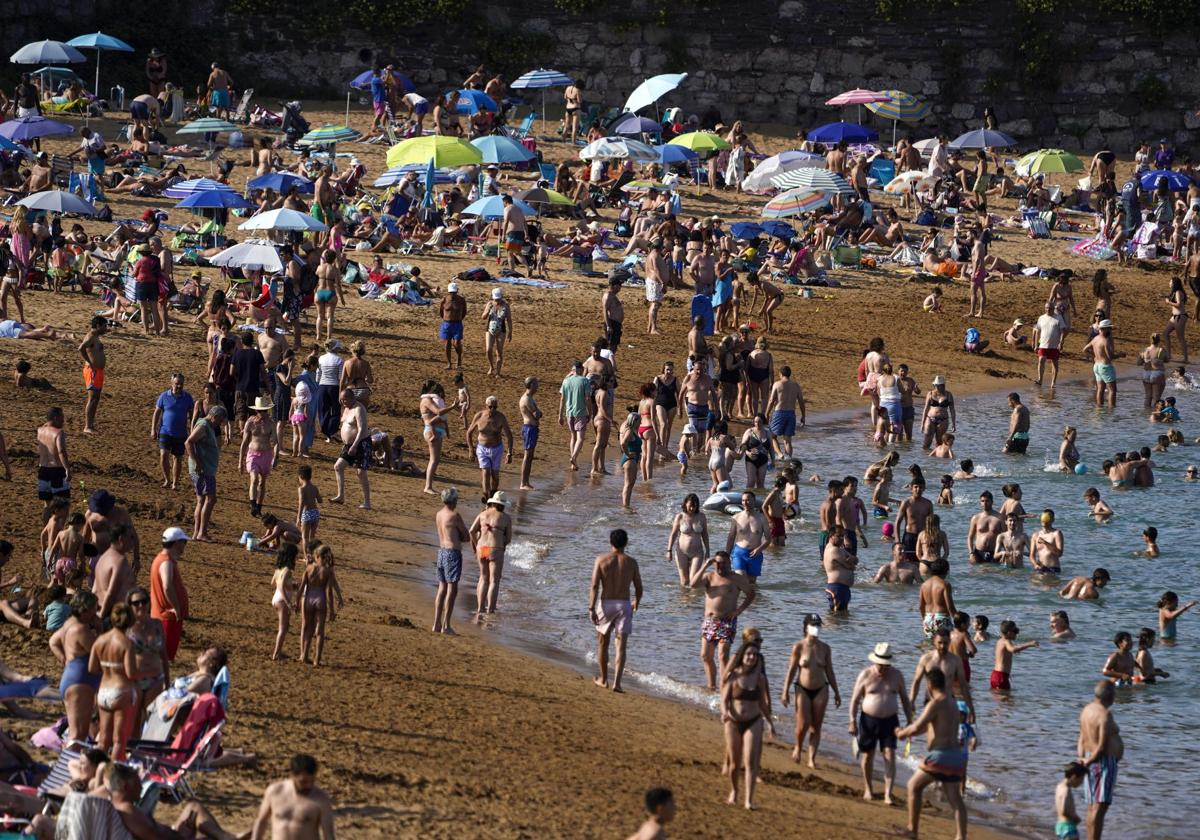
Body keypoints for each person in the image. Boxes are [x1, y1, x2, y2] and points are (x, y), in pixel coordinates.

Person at [894, 668, 968, 840]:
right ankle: (961, 836)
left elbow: (917, 726)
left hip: (940, 756)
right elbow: (929, 728)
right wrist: (910, 732)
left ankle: (913, 829)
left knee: (913, 786)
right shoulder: (952, 703)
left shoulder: (936, 703)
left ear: (929, 684)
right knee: (955, 798)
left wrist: (901, 733)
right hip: (956, 757)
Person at [849, 642, 913, 804]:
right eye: (880, 664)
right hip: (868, 720)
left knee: (890, 755)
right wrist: (852, 721)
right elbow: (855, 701)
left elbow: (905, 700)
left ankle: (887, 794)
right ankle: (868, 789)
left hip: (891, 721)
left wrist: (910, 722)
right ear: (874, 661)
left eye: (886, 665)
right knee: (867, 755)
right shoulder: (865, 675)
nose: (882, 668)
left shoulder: (897, 675)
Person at [781, 613, 840, 768]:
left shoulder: (825, 648)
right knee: (803, 724)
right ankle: (798, 748)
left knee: (816, 726)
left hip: (821, 689)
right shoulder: (799, 647)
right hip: (802, 689)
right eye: (813, 625)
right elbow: (792, 670)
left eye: (818, 625)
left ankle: (811, 759)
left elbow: (830, 672)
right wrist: (785, 691)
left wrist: (837, 692)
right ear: (806, 627)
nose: (816, 628)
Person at [689, 551, 754, 690]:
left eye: (724, 563)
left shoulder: (737, 579)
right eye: (718, 563)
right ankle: (711, 686)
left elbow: (751, 593)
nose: (721, 566)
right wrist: (705, 565)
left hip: (727, 621)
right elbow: (693, 584)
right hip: (709, 621)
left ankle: (725, 689)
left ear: (729, 563)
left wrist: (739, 610)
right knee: (705, 656)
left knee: (723, 655)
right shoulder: (709, 577)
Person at [721, 635, 773, 809]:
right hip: (733, 722)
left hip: (754, 721)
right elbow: (724, 699)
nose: (752, 657)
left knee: (750, 763)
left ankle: (749, 800)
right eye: (749, 654)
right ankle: (734, 791)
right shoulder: (733, 676)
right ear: (742, 656)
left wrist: (771, 723)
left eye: (755, 655)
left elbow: (763, 704)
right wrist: (724, 713)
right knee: (735, 764)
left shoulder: (760, 679)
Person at [589, 529, 642, 693]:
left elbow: (594, 586)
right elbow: (639, 588)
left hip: (606, 604)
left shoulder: (601, 560)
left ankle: (604, 679)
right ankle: (617, 683)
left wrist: (591, 608)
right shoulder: (632, 562)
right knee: (621, 646)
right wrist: (636, 602)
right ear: (626, 543)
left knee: (602, 644)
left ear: (610, 542)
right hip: (624, 605)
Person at [48, 591, 99, 743]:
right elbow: (100, 653)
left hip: (72, 676)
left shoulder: (68, 624)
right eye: (94, 608)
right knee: (78, 735)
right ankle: (67, 766)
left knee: (78, 734)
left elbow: (53, 642)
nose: (96, 612)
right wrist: (100, 628)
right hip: (80, 683)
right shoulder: (81, 629)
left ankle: (70, 765)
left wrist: (64, 658)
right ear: (86, 609)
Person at [251, 753, 336, 840]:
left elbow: (328, 834)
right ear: (292, 775)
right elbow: (261, 821)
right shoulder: (274, 792)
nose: (309, 786)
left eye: (312, 781)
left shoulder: (321, 799)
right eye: (303, 782)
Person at [1077, 680, 1122, 840]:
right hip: (1102, 762)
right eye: (1114, 694)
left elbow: (1081, 739)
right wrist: (1088, 762)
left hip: (1089, 758)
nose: (1115, 697)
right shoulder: (1104, 714)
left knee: (1092, 807)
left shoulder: (1086, 710)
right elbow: (1102, 746)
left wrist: (1082, 759)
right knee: (1100, 807)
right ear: (1109, 696)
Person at [150, 527, 190, 662]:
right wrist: (177, 608)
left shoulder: (162, 559)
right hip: (167, 617)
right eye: (184, 542)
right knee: (163, 660)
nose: (185, 545)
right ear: (177, 543)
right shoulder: (166, 562)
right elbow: (167, 586)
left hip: (164, 616)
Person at [470, 491, 512, 617]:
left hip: (482, 547)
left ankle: (480, 608)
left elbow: (472, 530)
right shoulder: (505, 518)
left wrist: (476, 545)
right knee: (494, 581)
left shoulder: (483, 514)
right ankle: (490, 610)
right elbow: (508, 538)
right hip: (496, 548)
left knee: (483, 578)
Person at [298, 545, 342, 667]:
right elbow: (329, 591)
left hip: (308, 599)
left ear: (317, 556)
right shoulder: (327, 571)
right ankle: (317, 660)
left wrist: (297, 602)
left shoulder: (308, 568)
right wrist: (332, 609)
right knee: (320, 632)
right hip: (320, 600)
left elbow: (302, 587)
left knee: (308, 629)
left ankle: (304, 656)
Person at [185, 405, 224, 541]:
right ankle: (202, 532)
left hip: (204, 468)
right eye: (219, 421)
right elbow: (188, 442)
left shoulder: (205, 424)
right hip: (203, 469)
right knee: (210, 499)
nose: (219, 425)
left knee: (201, 500)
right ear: (215, 417)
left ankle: (197, 533)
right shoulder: (203, 425)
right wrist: (198, 463)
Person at [433, 488, 470, 634]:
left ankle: (436, 623)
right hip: (452, 552)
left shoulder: (439, 514)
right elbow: (466, 536)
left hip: (441, 551)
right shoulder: (454, 515)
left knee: (442, 588)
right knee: (452, 589)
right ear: (454, 501)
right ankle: (446, 625)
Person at [466, 395, 514, 500]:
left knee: (495, 476)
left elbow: (509, 435)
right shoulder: (479, 416)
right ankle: (485, 495)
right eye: (490, 407)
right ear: (486, 406)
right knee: (485, 471)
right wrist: (471, 449)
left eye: (495, 407)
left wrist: (509, 453)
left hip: (497, 448)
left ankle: (493, 494)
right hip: (482, 448)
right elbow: (469, 433)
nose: (492, 409)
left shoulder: (500, 417)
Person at [152, 373, 195, 490]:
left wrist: (192, 430)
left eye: (181, 384)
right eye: (177, 384)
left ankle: (175, 482)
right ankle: (167, 479)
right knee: (163, 455)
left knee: (177, 458)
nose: (179, 386)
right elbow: (157, 413)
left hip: (181, 433)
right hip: (165, 431)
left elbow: (192, 416)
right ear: (171, 383)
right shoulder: (164, 396)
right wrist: (153, 429)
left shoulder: (188, 398)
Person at [332, 389, 371, 510]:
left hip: (361, 443)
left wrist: (355, 445)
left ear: (352, 398)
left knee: (361, 473)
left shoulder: (359, 409)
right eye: (342, 400)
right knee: (338, 466)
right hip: (348, 445)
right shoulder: (346, 408)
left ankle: (367, 502)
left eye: (345, 399)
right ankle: (341, 495)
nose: (343, 402)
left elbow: (362, 429)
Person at [239, 396, 278, 517]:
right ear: (257, 410)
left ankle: (259, 508)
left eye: (265, 410)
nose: (263, 413)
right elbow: (244, 442)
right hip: (253, 454)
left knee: (262, 483)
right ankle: (253, 505)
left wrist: (276, 457)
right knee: (254, 479)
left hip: (266, 455)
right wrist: (240, 461)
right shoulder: (250, 422)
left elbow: (275, 442)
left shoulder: (271, 424)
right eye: (261, 411)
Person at [725, 491, 770, 583]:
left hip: (755, 554)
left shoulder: (762, 518)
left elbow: (768, 539)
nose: (745, 503)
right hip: (739, 553)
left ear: (754, 501)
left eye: (748, 500)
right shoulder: (736, 517)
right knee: (741, 579)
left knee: (751, 582)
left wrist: (759, 549)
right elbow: (731, 537)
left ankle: (753, 598)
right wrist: (727, 555)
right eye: (743, 500)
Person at [668, 494, 709, 586]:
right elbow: (673, 534)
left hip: (697, 552)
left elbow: (705, 534)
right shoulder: (680, 517)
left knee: (693, 581)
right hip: (681, 552)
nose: (692, 508)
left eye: (694, 506)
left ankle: (694, 599)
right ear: (685, 504)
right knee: (684, 581)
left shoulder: (701, 517)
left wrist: (708, 551)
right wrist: (669, 550)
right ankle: (684, 599)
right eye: (690, 506)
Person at [559, 360, 592, 471]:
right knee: (580, 438)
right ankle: (573, 457)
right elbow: (587, 398)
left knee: (573, 436)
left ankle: (574, 463)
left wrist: (560, 415)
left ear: (572, 370)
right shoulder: (585, 381)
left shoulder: (566, 381)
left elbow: (562, 399)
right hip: (581, 412)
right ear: (581, 370)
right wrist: (590, 412)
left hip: (569, 413)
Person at [77, 316, 107, 435]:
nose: (106, 328)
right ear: (98, 326)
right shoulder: (90, 336)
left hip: (97, 371)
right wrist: (89, 362)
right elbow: (81, 348)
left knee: (96, 399)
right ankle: (87, 426)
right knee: (92, 398)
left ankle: (90, 425)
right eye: (104, 326)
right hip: (92, 371)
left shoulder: (95, 337)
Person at [36, 406, 71, 506]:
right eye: (62, 417)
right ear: (56, 418)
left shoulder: (40, 430)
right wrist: (67, 469)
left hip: (43, 470)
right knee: (62, 506)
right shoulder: (59, 433)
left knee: (47, 505)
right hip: (56, 471)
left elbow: (45, 425)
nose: (63, 420)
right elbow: (61, 452)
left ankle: (46, 522)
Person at [990, 620, 1038, 691]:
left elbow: (1005, 652)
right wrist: (1029, 644)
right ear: (1009, 633)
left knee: (1000, 700)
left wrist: (1016, 650)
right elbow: (1013, 649)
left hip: (995, 675)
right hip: (1001, 676)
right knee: (1007, 700)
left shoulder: (1000, 641)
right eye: (1016, 631)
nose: (1017, 633)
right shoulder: (1007, 641)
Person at [270, 545, 297, 661]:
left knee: (284, 627)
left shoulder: (278, 570)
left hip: (276, 599)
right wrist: (288, 602)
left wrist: (291, 586)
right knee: (283, 628)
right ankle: (276, 654)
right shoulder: (287, 571)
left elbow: (273, 583)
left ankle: (278, 652)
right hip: (282, 600)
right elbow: (281, 586)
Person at [918, 558, 956, 636]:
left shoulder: (924, 585)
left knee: (931, 645)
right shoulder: (945, 585)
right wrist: (958, 621)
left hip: (928, 618)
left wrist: (925, 619)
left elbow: (921, 606)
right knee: (946, 644)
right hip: (941, 618)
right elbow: (950, 607)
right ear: (946, 571)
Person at [1084, 319, 1118, 408]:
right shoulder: (1105, 341)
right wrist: (1120, 355)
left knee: (1100, 389)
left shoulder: (1095, 339)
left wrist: (1094, 355)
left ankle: (1099, 408)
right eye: (1109, 329)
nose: (1110, 331)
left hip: (1097, 366)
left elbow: (1085, 349)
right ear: (1105, 329)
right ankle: (1111, 410)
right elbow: (1110, 356)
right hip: (1105, 366)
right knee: (1112, 390)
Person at [482, 287, 513, 377]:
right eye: (496, 298)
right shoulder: (490, 304)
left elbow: (509, 320)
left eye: (498, 298)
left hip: (501, 330)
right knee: (488, 349)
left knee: (499, 351)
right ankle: (491, 367)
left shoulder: (506, 306)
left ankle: (498, 372)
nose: (497, 300)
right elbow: (483, 317)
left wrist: (510, 332)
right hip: (490, 329)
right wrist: (487, 311)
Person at [518, 377, 542, 490]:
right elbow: (537, 414)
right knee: (527, 456)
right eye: (536, 384)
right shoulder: (527, 399)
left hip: (531, 428)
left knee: (530, 456)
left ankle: (526, 482)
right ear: (531, 385)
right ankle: (523, 483)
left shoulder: (530, 398)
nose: (538, 387)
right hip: (529, 428)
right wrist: (538, 412)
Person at [438, 281, 466, 369]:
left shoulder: (461, 300)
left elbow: (464, 312)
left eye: (454, 292)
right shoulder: (445, 299)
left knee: (457, 343)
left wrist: (458, 319)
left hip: (457, 323)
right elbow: (441, 312)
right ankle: (449, 363)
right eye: (451, 293)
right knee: (447, 344)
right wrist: (446, 319)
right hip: (447, 323)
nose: (452, 294)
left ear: (457, 291)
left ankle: (459, 360)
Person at [1056, 762, 1087, 840]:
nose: (1081, 782)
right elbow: (1064, 810)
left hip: (1060, 825)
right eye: (1081, 779)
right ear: (1074, 777)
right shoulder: (1065, 790)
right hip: (1068, 827)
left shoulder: (1059, 786)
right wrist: (1075, 817)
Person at [1031, 509, 1065, 574]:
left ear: (1052, 520)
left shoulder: (1057, 533)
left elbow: (1059, 554)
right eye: (1044, 516)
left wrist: (1046, 543)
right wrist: (1035, 564)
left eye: (1049, 517)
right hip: (1040, 569)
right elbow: (1032, 555)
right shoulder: (1035, 535)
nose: (1046, 519)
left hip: (1053, 568)